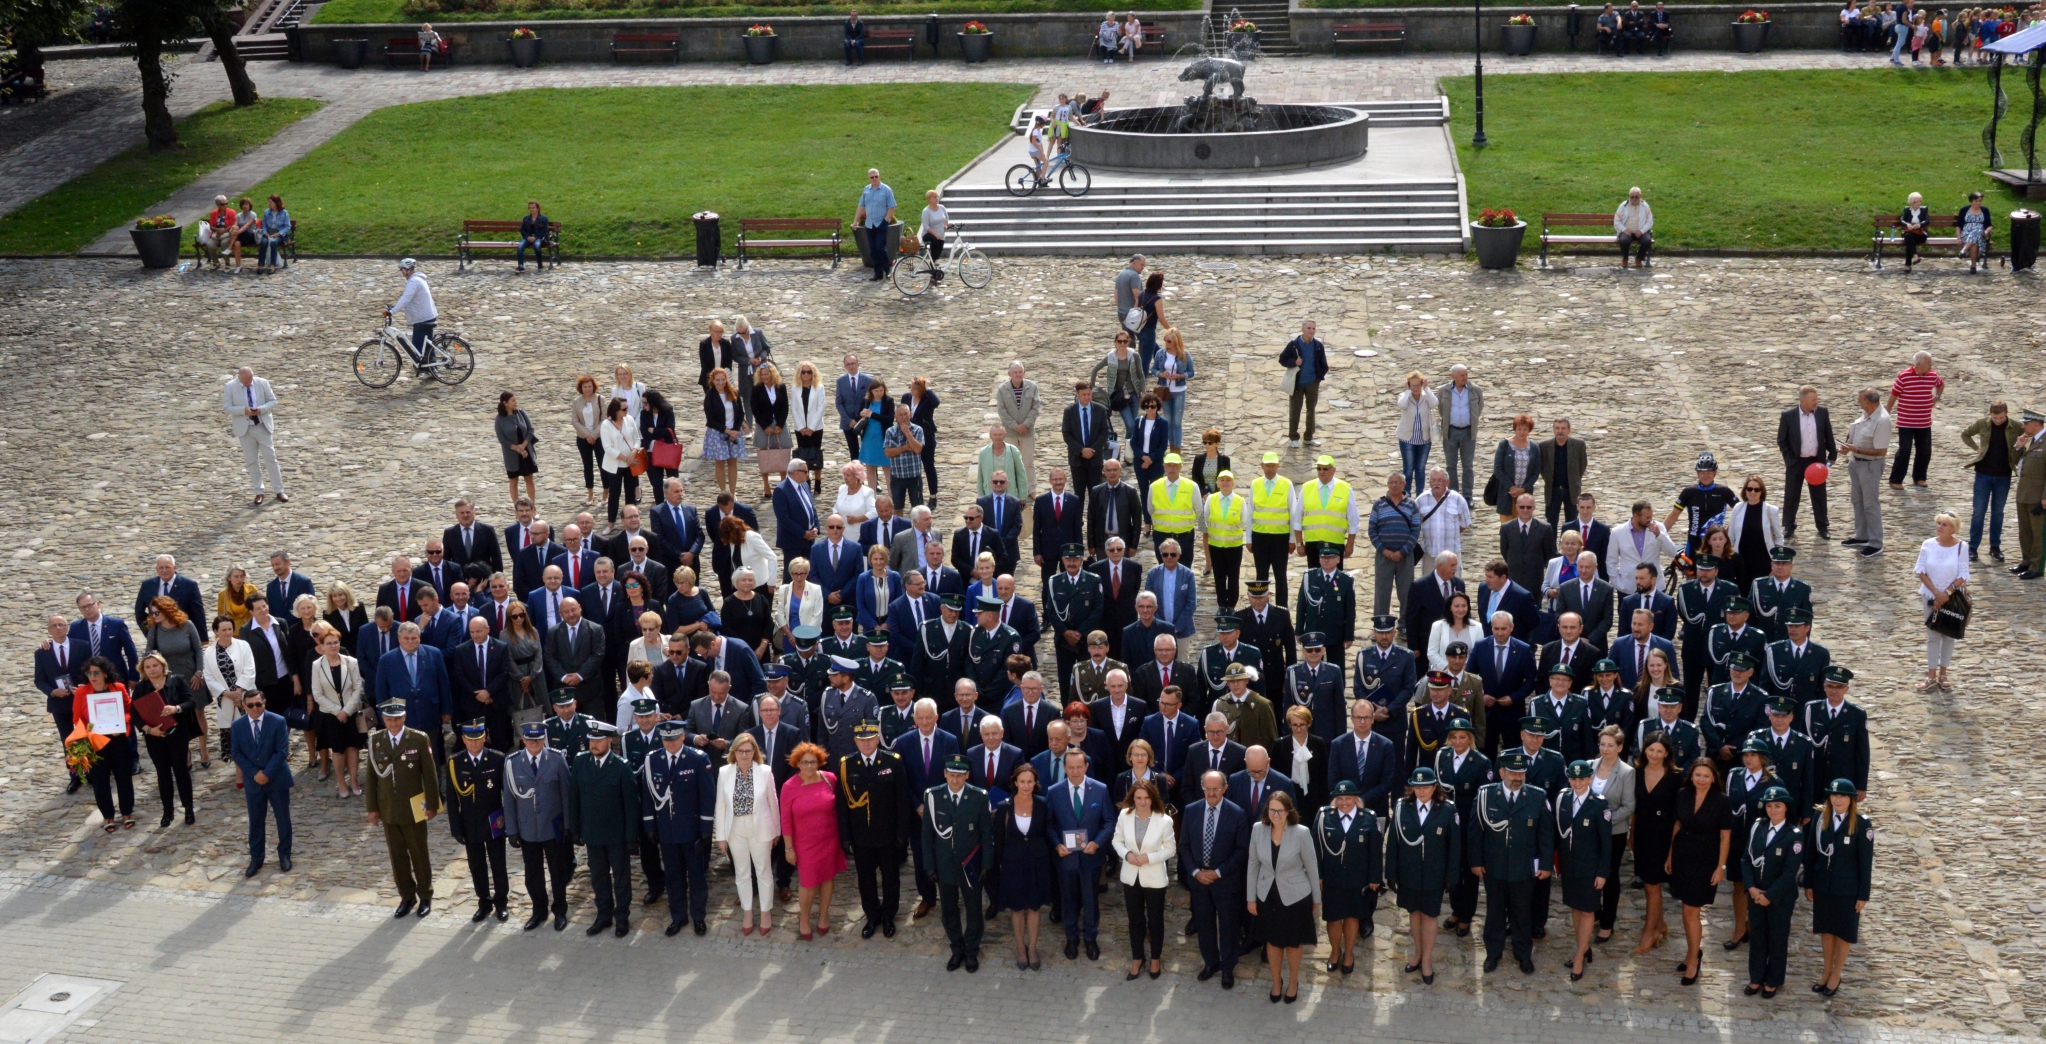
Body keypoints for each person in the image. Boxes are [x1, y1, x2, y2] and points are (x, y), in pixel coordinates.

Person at [365, 698, 440, 917]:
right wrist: (372, 808)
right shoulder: (376, 741)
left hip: (414, 807)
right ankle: (407, 896)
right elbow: (371, 778)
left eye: (397, 719)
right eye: (389, 720)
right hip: (389, 808)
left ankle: (425, 895)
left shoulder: (417, 739)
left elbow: (430, 775)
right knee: (397, 856)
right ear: (383, 720)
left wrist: (432, 805)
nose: (393, 724)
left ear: (404, 717)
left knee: (419, 853)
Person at [925, 753, 995, 971]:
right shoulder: (933, 796)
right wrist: (929, 865)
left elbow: (986, 834)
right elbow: (927, 835)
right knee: (949, 910)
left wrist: (986, 864)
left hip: (970, 864)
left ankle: (972, 951)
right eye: (951, 775)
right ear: (945, 774)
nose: (955, 780)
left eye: (960, 775)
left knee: (974, 909)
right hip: (944, 863)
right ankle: (957, 948)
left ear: (967, 775)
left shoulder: (979, 797)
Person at [1665, 757, 1731, 985]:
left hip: (1706, 858)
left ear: (1713, 778)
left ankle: (1693, 959)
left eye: (1706, 776)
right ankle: (1692, 952)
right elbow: (1677, 825)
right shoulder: (1683, 794)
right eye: (1697, 775)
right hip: (1683, 855)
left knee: (1692, 912)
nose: (1701, 779)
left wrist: (1720, 867)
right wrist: (1670, 855)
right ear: (1691, 776)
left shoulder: (1722, 801)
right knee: (1686, 910)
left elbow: (1725, 837)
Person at [1248, 790, 1318, 1003]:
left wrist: (1317, 899)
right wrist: (1251, 897)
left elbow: (1312, 866)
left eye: (1280, 811)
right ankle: (1276, 981)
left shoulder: (1301, 832)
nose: (1276, 815)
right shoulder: (1258, 829)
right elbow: (1253, 864)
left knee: (1293, 943)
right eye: (1272, 810)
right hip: (1267, 894)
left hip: (1296, 896)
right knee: (1273, 941)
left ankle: (1294, 981)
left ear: (1289, 812)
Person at [1804, 778, 1872, 996]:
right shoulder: (1820, 817)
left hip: (1847, 888)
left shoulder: (1861, 823)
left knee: (1843, 932)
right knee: (1826, 929)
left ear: (1851, 799)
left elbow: (1865, 863)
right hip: (1824, 884)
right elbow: (1811, 852)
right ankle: (1826, 970)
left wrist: (1863, 895)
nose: (1838, 799)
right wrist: (1808, 882)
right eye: (1834, 795)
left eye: (1842, 796)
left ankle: (1837, 973)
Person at [503, 721, 573, 930]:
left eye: (538, 738)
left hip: (553, 828)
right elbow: (509, 799)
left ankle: (560, 911)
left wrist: (568, 826)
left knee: (558, 872)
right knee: (533, 875)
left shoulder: (557, 759)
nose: (534, 742)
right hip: (528, 830)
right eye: (530, 739)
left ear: (544, 738)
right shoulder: (512, 762)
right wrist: (512, 830)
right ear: (523, 739)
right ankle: (538, 911)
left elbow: (566, 796)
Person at [1321, 777, 1390, 977]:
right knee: (1333, 919)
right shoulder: (1325, 817)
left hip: (1357, 879)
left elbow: (1375, 852)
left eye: (1348, 798)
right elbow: (1316, 849)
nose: (1344, 803)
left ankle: (1349, 953)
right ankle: (1335, 952)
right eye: (1340, 798)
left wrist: (1375, 878)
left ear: (1356, 799)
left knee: (1352, 917)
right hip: (1332, 878)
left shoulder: (1368, 818)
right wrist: (1317, 875)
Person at [1048, 747, 1114, 960]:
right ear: (1064, 768)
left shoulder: (1101, 789)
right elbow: (1048, 824)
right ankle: (1071, 938)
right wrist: (1057, 844)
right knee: (1068, 900)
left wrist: (1097, 842)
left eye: (1079, 767)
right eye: (1070, 767)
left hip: (1090, 857)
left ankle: (1090, 938)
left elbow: (1109, 822)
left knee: (1090, 900)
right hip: (1066, 858)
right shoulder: (1054, 791)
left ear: (1086, 766)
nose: (1075, 771)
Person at [1105, 774, 1171, 978]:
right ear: (1133, 798)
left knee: (1155, 920)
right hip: (1131, 876)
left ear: (1153, 798)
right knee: (1135, 921)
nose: (1142, 802)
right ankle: (1137, 958)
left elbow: (1170, 849)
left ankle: (1155, 959)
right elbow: (1116, 841)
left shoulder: (1164, 819)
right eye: (1138, 798)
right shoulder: (1124, 815)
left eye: (1146, 798)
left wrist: (1149, 858)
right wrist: (1128, 854)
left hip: (1154, 877)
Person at [778, 741, 843, 939]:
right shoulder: (789, 787)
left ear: (820, 762)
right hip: (805, 843)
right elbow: (785, 820)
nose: (808, 766)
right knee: (808, 883)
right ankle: (804, 918)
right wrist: (789, 848)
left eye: (813, 762)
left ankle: (824, 916)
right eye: (804, 762)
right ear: (797, 763)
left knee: (827, 878)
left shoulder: (830, 779)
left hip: (830, 839)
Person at [1554, 760, 1611, 980]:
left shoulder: (1599, 803)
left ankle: (1579, 956)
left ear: (1590, 779)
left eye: (1582, 778)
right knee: (1576, 908)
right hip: (1569, 865)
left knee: (1588, 910)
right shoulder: (1563, 798)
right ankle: (1583, 947)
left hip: (1590, 867)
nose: (1577, 783)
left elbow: (1606, 843)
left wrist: (1602, 873)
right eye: (1573, 778)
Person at [1742, 786, 1802, 997]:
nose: (1773, 810)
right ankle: (1756, 977)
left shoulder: (1794, 835)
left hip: (1779, 898)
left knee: (1777, 938)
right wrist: (1751, 888)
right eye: (1769, 806)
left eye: (1778, 806)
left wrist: (1769, 896)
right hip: (1756, 894)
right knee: (1757, 937)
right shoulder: (1758, 826)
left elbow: (1789, 873)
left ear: (1786, 808)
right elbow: (1746, 859)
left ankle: (1773, 980)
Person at [996, 761, 1056, 969]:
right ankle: (1021, 947)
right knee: (1016, 908)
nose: (1026, 785)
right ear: (1015, 782)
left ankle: (1033, 948)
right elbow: (999, 839)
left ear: (1035, 783)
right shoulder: (1004, 806)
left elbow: (1048, 831)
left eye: (1030, 781)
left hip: (1037, 862)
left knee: (1034, 906)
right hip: (1012, 863)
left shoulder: (1042, 804)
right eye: (1022, 781)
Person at [133, 652, 200, 827]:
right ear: (143, 670)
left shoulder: (176, 680)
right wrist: (148, 730)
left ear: (162, 666)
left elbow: (191, 702)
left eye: (155, 665)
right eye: (147, 667)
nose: (152, 669)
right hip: (155, 737)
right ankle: (167, 811)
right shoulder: (141, 688)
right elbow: (134, 715)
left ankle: (188, 808)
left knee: (181, 772)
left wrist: (175, 709)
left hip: (177, 734)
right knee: (162, 774)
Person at [74, 656, 137, 831]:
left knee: (124, 778)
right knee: (100, 781)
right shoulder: (82, 692)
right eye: (89, 673)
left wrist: (122, 723)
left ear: (105, 673)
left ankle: (127, 813)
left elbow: (128, 710)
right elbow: (76, 719)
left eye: (96, 672)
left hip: (118, 740)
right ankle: (108, 816)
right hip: (96, 743)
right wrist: (88, 730)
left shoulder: (118, 688)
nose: (92, 676)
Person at [1630, 732, 1680, 954]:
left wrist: (1672, 847)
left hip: (1663, 836)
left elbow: (1679, 816)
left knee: (1652, 885)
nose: (1654, 754)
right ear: (1645, 750)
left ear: (1667, 753)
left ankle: (1648, 933)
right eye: (1651, 750)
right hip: (1642, 834)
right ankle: (1659, 925)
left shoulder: (1676, 777)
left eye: (1659, 751)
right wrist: (1631, 834)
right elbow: (1634, 807)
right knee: (1650, 884)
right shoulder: (1637, 772)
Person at [1589, 726, 1635, 941]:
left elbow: (1628, 806)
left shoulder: (1627, 772)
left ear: (1620, 747)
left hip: (1614, 833)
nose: (1605, 749)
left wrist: (1604, 822)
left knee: (1609, 876)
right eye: (1602, 744)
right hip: (1588, 832)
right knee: (1590, 873)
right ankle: (1594, 913)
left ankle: (1607, 923)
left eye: (1610, 745)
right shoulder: (1589, 766)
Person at [1915, 512, 1969, 692]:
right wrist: (1936, 594)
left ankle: (1943, 673)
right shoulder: (1928, 545)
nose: (1939, 527)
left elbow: (1963, 574)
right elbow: (1921, 571)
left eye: (1944, 524)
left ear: (1953, 528)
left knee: (1948, 635)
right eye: (1938, 523)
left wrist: (1945, 594)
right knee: (1933, 635)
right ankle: (1931, 675)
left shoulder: (1961, 547)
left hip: (1951, 597)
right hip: (1930, 595)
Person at [1961, 401, 2019, 561]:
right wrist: (1976, 448)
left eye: (2001, 417)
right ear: (1990, 414)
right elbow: (1965, 434)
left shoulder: (2016, 426)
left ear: (2007, 413)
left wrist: (2020, 447)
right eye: (1995, 417)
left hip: (2003, 475)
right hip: (1983, 474)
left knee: (1998, 513)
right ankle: (1973, 547)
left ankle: (1995, 547)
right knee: (1978, 512)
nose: (1998, 420)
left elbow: (2029, 435)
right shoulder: (1982, 423)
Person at [222, 367, 286, 506]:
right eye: (245, 381)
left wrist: (261, 409)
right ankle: (259, 491)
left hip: (262, 425)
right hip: (245, 429)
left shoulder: (262, 383)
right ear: (239, 377)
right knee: (251, 461)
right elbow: (226, 408)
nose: (248, 383)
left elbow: (273, 401)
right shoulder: (230, 386)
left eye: (250, 380)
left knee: (271, 457)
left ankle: (279, 490)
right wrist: (243, 410)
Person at [1280, 321, 1329, 448]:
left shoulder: (1318, 345)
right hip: (1297, 383)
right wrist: (1294, 362)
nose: (1311, 330)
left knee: (1311, 410)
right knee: (1295, 410)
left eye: (1313, 328)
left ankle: (1308, 437)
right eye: (1308, 328)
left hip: (1312, 382)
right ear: (1302, 329)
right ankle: (1293, 437)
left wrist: (1318, 377)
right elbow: (1282, 359)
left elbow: (1324, 364)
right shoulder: (1294, 345)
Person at [701, 367, 746, 500]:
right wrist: (727, 431)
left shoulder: (733, 392)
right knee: (720, 463)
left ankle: (732, 492)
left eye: (723, 379)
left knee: (732, 462)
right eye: (717, 380)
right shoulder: (710, 396)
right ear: (713, 381)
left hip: (734, 432)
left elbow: (740, 413)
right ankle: (723, 492)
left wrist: (735, 431)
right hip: (718, 433)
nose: (720, 383)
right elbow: (711, 419)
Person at [1154, 327, 1194, 452]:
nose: (1167, 344)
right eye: (1165, 340)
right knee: (1168, 421)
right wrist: (1161, 374)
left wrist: (1180, 376)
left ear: (1176, 341)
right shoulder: (1160, 354)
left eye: (1169, 341)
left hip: (1179, 391)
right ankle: (1171, 447)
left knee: (1177, 422)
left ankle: (1177, 448)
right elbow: (1154, 369)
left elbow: (1191, 372)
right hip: (1165, 390)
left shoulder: (1184, 355)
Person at [856, 169, 896, 281]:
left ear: (879, 176)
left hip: (881, 223)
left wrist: (885, 220)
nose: (874, 179)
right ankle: (877, 273)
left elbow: (892, 207)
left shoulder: (886, 190)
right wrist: (855, 221)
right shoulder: (866, 190)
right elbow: (861, 206)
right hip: (869, 224)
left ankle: (887, 269)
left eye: (876, 176)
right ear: (869, 178)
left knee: (880, 247)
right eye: (872, 177)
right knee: (873, 249)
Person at [1615, 186, 1653, 268]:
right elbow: (1616, 221)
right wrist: (1624, 229)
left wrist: (1642, 231)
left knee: (1647, 241)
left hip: (1640, 231)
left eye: (1636, 197)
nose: (1634, 199)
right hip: (1627, 231)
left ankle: (1639, 258)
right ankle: (1625, 258)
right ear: (1629, 196)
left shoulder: (1645, 206)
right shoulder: (1623, 206)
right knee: (1623, 240)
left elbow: (1650, 221)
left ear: (1640, 196)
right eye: (1632, 197)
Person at [1957, 191, 1994, 273]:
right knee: (1974, 243)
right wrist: (1959, 238)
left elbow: (1989, 225)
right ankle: (1973, 266)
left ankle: (1963, 251)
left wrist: (1987, 231)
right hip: (1966, 234)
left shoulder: (1985, 210)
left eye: (1980, 201)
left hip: (1981, 235)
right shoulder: (1964, 210)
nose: (1978, 203)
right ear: (1971, 201)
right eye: (1976, 201)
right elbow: (1958, 226)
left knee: (1978, 230)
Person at [256, 194, 291, 274]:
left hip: (280, 234)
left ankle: (272, 265)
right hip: (269, 233)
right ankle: (260, 265)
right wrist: (265, 233)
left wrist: (278, 233)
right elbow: (264, 225)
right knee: (264, 242)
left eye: (271, 202)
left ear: (276, 203)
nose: (269, 204)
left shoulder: (284, 213)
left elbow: (287, 227)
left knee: (273, 242)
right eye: (269, 202)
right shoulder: (266, 212)